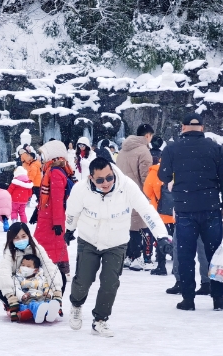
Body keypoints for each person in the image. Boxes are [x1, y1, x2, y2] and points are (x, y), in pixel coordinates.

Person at [65, 157, 169, 336]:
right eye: (100, 180)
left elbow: (146, 210)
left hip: (116, 242)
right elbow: (72, 212)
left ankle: (100, 320)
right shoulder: (80, 190)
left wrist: (161, 236)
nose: (105, 183)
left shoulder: (126, 186)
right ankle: (76, 304)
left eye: (109, 178)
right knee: (83, 280)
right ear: (91, 178)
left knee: (110, 283)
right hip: (89, 239)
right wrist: (69, 229)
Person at [159, 114, 223, 311]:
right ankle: (217, 297)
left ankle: (188, 299)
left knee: (186, 254)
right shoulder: (215, 148)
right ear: (202, 127)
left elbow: (162, 174)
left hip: (184, 208)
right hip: (210, 207)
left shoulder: (172, 148)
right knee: (213, 254)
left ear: (182, 127)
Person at [0, 222, 64, 322]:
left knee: (60, 276)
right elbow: (3, 272)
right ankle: (13, 306)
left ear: (28, 235)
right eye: (16, 237)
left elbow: (48, 267)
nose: (20, 240)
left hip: (38, 283)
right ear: (11, 239)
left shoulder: (37, 249)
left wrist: (56, 291)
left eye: (23, 236)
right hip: (19, 286)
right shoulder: (9, 252)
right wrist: (11, 295)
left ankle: (54, 304)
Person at [33, 140, 75, 276]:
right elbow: (50, 197)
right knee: (54, 243)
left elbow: (57, 200)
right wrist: (36, 210)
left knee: (46, 243)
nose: (42, 159)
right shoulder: (53, 170)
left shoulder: (55, 172)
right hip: (48, 214)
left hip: (51, 217)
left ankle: (48, 267)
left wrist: (57, 223)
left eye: (44, 155)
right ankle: (60, 268)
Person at [117, 123, 154, 270]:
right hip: (138, 193)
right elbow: (146, 176)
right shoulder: (143, 151)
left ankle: (128, 256)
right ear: (147, 135)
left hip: (122, 192)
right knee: (140, 225)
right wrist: (150, 195)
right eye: (151, 136)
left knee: (128, 224)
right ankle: (138, 258)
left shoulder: (123, 149)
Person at [143, 157, 175, 275]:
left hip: (159, 213)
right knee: (177, 239)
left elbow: (147, 191)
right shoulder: (178, 169)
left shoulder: (155, 171)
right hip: (176, 213)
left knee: (161, 237)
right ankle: (176, 265)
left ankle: (161, 266)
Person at [12, 254, 61, 323]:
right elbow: (16, 288)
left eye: (28, 266)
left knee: (47, 302)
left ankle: (50, 313)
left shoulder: (41, 277)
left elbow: (46, 286)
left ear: (35, 270)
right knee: (33, 304)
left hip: (41, 296)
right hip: (27, 299)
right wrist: (22, 296)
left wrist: (48, 293)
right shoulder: (17, 277)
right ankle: (38, 314)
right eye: (23, 265)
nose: (24, 268)